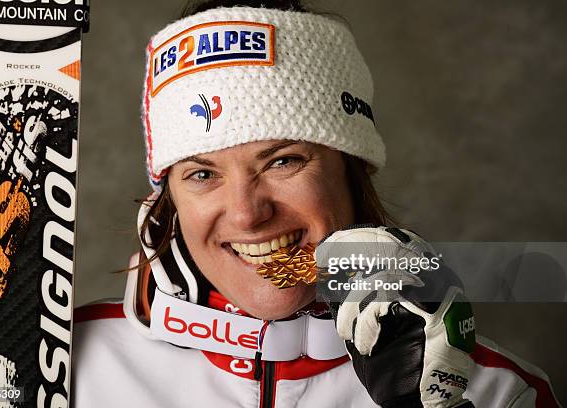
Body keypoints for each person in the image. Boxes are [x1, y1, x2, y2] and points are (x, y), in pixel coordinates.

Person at [72, 1, 560, 407]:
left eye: (283, 162)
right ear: (169, 198)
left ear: (353, 168)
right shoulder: (65, 367)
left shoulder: (500, 392)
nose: (246, 213)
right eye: (202, 174)